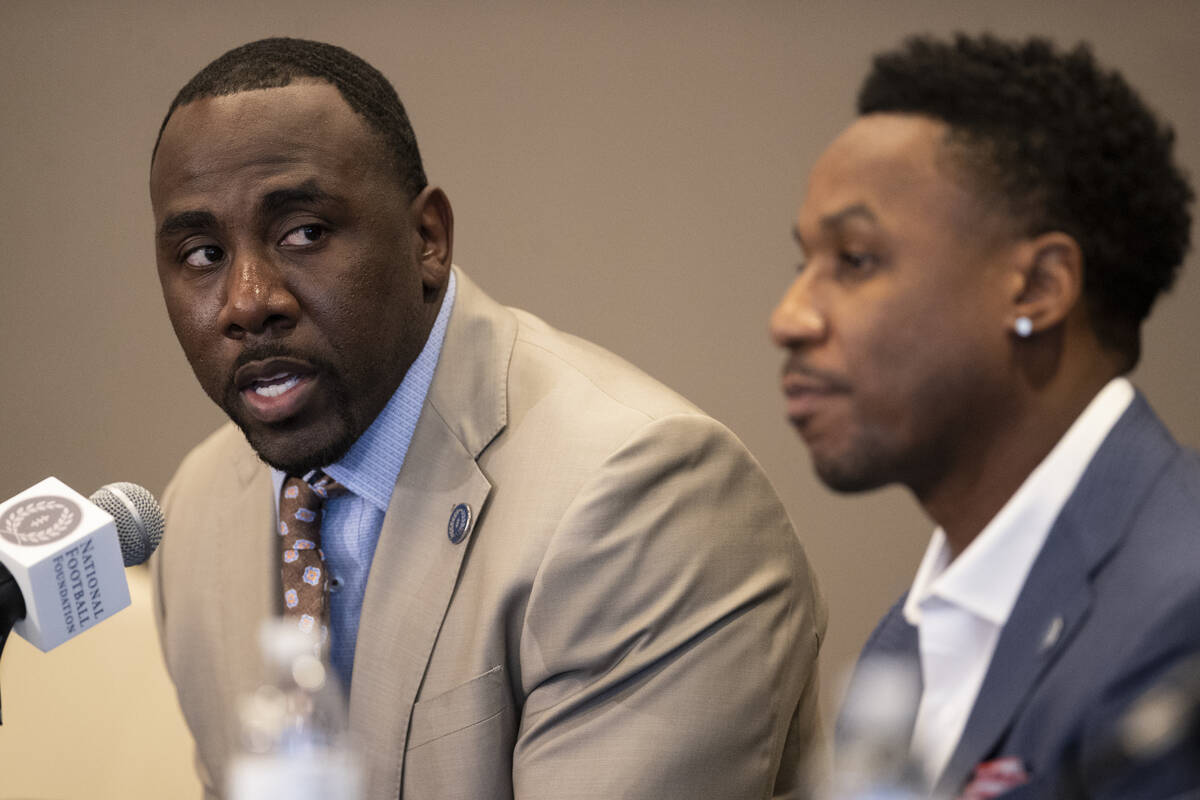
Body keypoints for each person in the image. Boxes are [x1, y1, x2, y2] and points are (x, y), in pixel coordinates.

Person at [149, 37, 824, 800]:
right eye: (202, 253)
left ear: (426, 239)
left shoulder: (644, 497)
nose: (246, 301)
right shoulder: (198, 512)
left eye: (304, 232)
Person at [769, 33, 1200, 799]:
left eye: (855, 260)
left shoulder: (1180, 614)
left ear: (1037, 288)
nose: (791, 317)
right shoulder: (900, 643)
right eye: (802, 264)